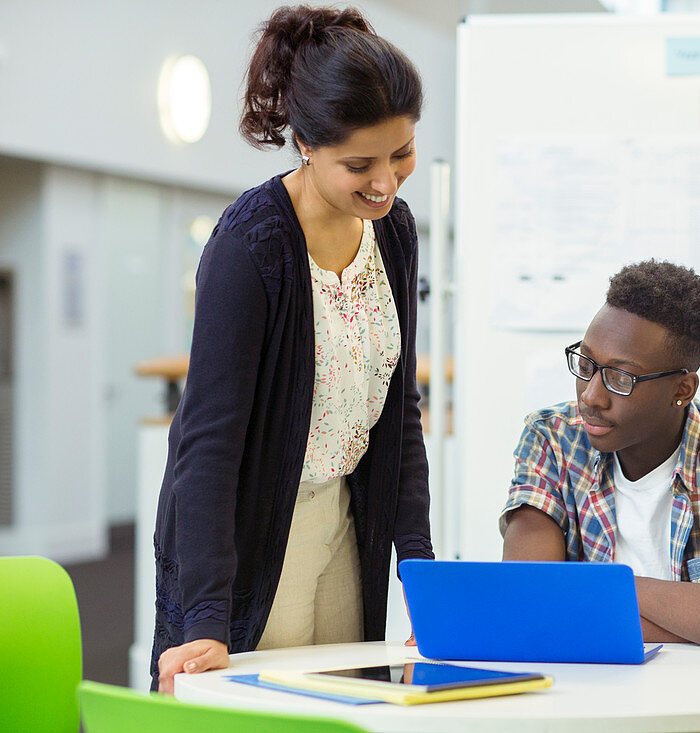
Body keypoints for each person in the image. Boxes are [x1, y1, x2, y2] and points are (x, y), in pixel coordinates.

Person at [152, 5, 432, 693]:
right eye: (360, 164)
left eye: (401, 154)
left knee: (349, 705)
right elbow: (209, 445)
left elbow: (399, 418)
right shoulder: (252, 245)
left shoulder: (393, 232)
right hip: (249, 538)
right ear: (306, 142)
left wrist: (422, 581)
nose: (386, 182)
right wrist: (206, 617)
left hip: (344, 521)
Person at [500, 260, 700, 651]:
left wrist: (595, 588)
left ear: (682, 389)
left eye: (620, 378)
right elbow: (527, 603)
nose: (590, 396)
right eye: (586, 364)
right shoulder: (552, 438)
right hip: (591, 700)